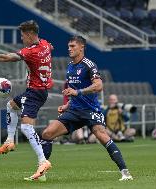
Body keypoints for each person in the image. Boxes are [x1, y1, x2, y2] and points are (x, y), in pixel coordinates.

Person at [0, 20, 53, 181]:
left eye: (22, 36)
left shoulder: (30, 51)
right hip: (39, 91)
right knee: (11, 106)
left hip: (35, 91)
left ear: (29, 34)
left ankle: (43, 161)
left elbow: (5, 57)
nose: (21, 39)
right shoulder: (46, 44)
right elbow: (50, 47)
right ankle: (9, 141)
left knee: (26, 127)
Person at [40, 36, 133, 181]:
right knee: (47, 133)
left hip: (91, 110)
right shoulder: (70, 66)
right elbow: (74, 92)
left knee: (101, 135)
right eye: (68, 46)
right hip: (74, 111)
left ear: (81, 47)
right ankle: (41, 173)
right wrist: (67, 105)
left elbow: (99, 86)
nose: (69, 49)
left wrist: (78, 92)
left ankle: (125, 173)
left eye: (72, 46)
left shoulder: (89, 65)